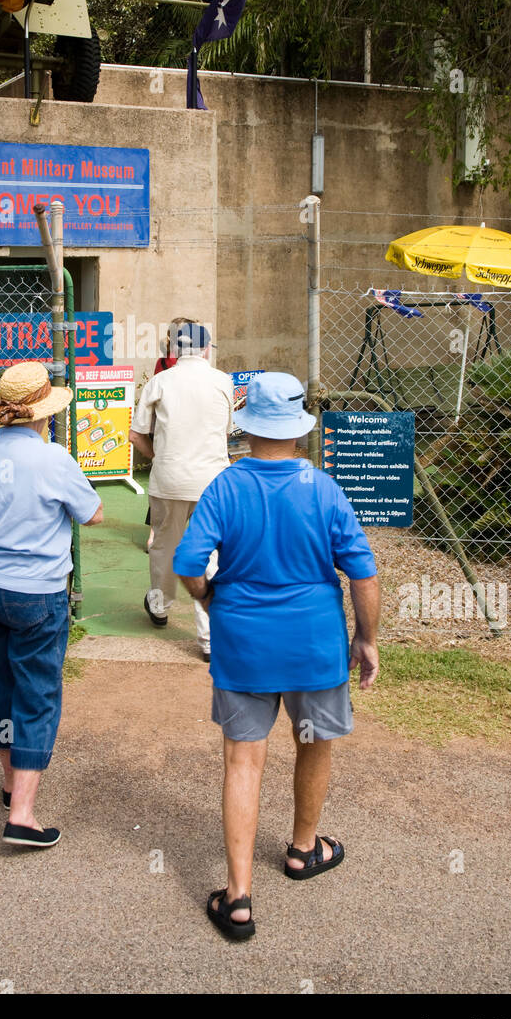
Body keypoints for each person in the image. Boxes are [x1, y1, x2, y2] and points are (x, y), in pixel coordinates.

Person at [173, 371, 380, 940]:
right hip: (313, 644)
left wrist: (212, 600)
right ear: (299, 428)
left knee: (243, 760)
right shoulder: (324, 488)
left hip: (244, 643)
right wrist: (366, 638)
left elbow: (188, 566)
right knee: (313, 740)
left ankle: (238, 897)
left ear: (246, 425)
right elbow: (362, 571)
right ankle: (303, 850)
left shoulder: (224, 487)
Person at [0, 361, 103, 850]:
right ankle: (22, 815)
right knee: (37, 691)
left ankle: (8, 784)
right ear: (44, 414)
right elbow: (94, 514)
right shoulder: (54, 458)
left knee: (0, 684)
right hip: (34, 590)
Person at [129, 322, 233, 659]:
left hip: (170, 477)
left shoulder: (160, 381)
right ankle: (209, 639)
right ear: (206, 349)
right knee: (212, 554)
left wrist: (157, 457)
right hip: (213, 481)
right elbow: (226, 432)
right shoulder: (223, 382)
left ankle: (160, 606)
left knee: (165, 544)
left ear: (174, 349)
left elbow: (136, 435)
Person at [145, 315, 199, 550]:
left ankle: (155, 534)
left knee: (163, 477)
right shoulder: (190, 362)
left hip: (163, 428)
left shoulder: (163, 362)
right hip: (183, 428)